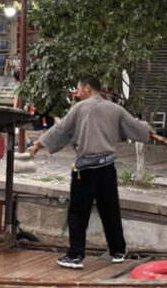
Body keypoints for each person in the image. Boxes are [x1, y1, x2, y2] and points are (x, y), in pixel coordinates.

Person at [28, 77, 151, 269]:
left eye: (79, 89)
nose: (77, 93)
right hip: (107, 167)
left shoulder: (81, 108)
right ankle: (118, 250)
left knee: (78, 212)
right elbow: (137, 127)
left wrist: (38, 144)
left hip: (85, 169)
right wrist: (148, 131)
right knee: (110, 210)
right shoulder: (114, 108)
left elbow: (61, 129)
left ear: (87, 88)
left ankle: (75, 255)